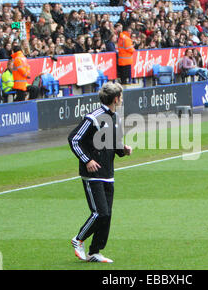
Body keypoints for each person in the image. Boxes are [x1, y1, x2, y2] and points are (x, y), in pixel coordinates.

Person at [68, 82, 132, 263]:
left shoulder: (115, 118)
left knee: (107, 215)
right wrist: (87, 160)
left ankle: (94, 251)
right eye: (120, 96)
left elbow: (115, 143)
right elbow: (74, 139)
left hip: (108, 173)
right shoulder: (93, 118)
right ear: (115, 98)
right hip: (93, 174)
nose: (121, 99)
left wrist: (123, 149)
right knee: (100, 213)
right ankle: (78, 239)